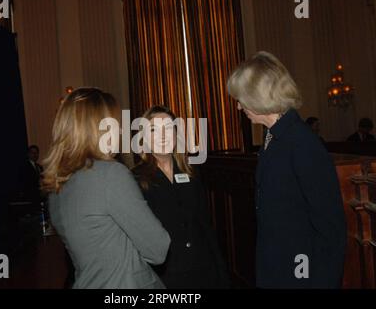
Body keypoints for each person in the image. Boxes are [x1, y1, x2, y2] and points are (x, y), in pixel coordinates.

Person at [227, 51, 347, 288]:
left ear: (260, 96)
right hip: (277, 268)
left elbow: (330, 228)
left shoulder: (302, 143)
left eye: (242, 98)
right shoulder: (273, 136)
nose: (239, 107)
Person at [42, 88, 170, 289]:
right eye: (114, 124)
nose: (119, 131)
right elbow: (158, 249)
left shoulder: (56, 186)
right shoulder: (110, 174)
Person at [132, 105, 230, 289]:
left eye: (168, 128)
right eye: (154, 129)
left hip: (203, 271)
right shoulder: (135, 179)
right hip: (165, 277)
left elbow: (206, 227)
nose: (162, 136)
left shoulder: (191, 173)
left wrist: (221, 274)